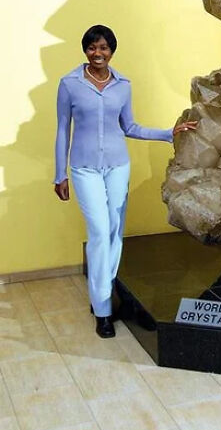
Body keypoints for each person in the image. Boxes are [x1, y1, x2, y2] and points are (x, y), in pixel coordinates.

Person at [53, 24, 197, 338]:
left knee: (116, 230)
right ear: (86, 50)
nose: (97, 53)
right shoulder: (70, 84)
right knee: (100, 232)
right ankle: (103, 311)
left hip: (118, 166)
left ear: (112, 51)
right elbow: (63, 129)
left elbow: (129, 126)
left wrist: (166, 133)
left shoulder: (123, 85)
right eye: (92, 47)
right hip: (84, 168)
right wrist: (59, 174)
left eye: (103, 48)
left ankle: (102, 295)